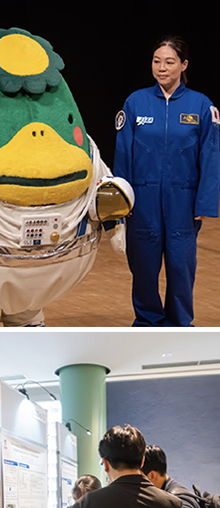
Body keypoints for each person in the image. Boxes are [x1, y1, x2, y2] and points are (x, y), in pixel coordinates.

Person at [113, 35, 220, 327]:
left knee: (180, 265)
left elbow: (211, 156)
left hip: (183, 200)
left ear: (183, 65)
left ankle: (180, 322)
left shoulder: (201, 105)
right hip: (142, 199)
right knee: (144, 265)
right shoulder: (136, 102)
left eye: (170, 62)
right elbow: (123, 152)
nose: (162, 68)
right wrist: (122, 199)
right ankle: (147, 320)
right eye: (157, 61)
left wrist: (205, 202)